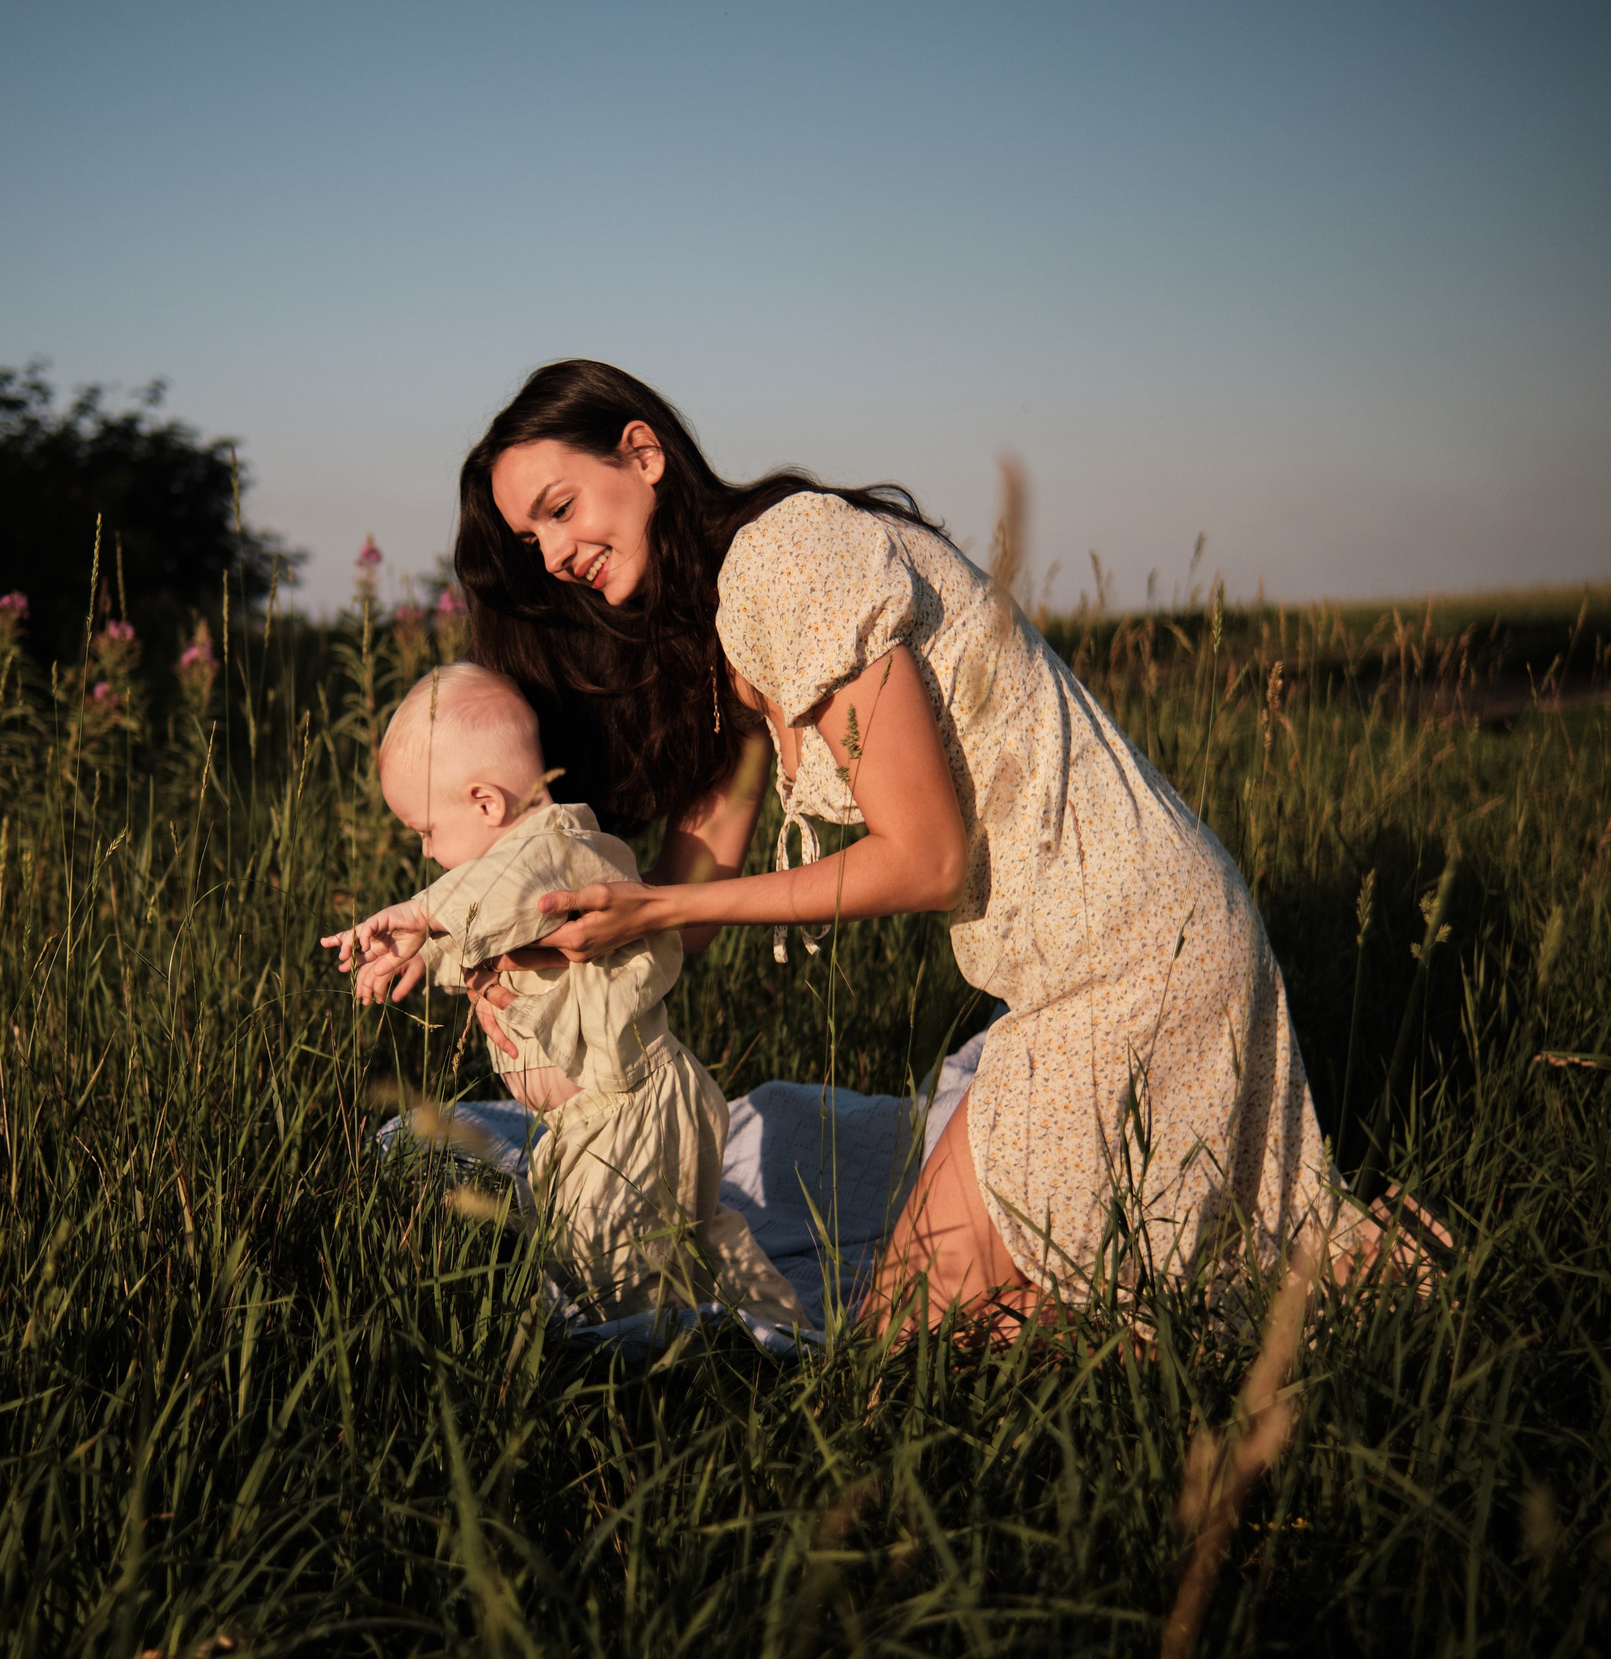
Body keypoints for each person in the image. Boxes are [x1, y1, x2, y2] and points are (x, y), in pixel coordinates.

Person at [449, 359, 1394, 1343]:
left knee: (891, 1349)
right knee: (954, 1326)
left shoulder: (790, 558)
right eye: (532, 539)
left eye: (560, 509)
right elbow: (675, 908)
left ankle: (1349, 1295)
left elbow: (926, 860)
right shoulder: (729, 632)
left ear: (642, 453)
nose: (554, 553)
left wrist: (662, 912)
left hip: (1129, 954)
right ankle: (1359, 1278)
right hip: (1083, 967)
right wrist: (527, 958)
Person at [323, 664, 807, 1328]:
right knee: (683, 1236)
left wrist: (421, 913)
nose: (426, 851)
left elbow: (515, 894)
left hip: (631, 1110)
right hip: (588, 1123)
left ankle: (676, 1362)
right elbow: (490, 923)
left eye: (426, 831)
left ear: (486, 802)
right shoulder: (497, 889)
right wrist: (423, 948)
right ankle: (779, 1322)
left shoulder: (561, 849)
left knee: (615, 1276)